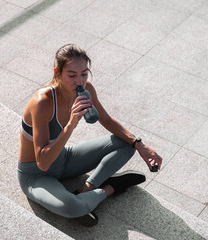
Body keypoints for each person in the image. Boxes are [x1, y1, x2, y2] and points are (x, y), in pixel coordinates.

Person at [17, 44, 163, 226]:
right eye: (72, 75)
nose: (79, 81)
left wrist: (140, 145)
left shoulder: (87, 90)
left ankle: (88, 188)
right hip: (36, 174)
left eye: (84, 74)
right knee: (72, 207)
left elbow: (108, 121)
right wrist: (71, 124)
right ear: (57, 73)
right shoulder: (43, 102)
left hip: (64, 159)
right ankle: (110, 188)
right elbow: (43, 162)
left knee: (126, 142)